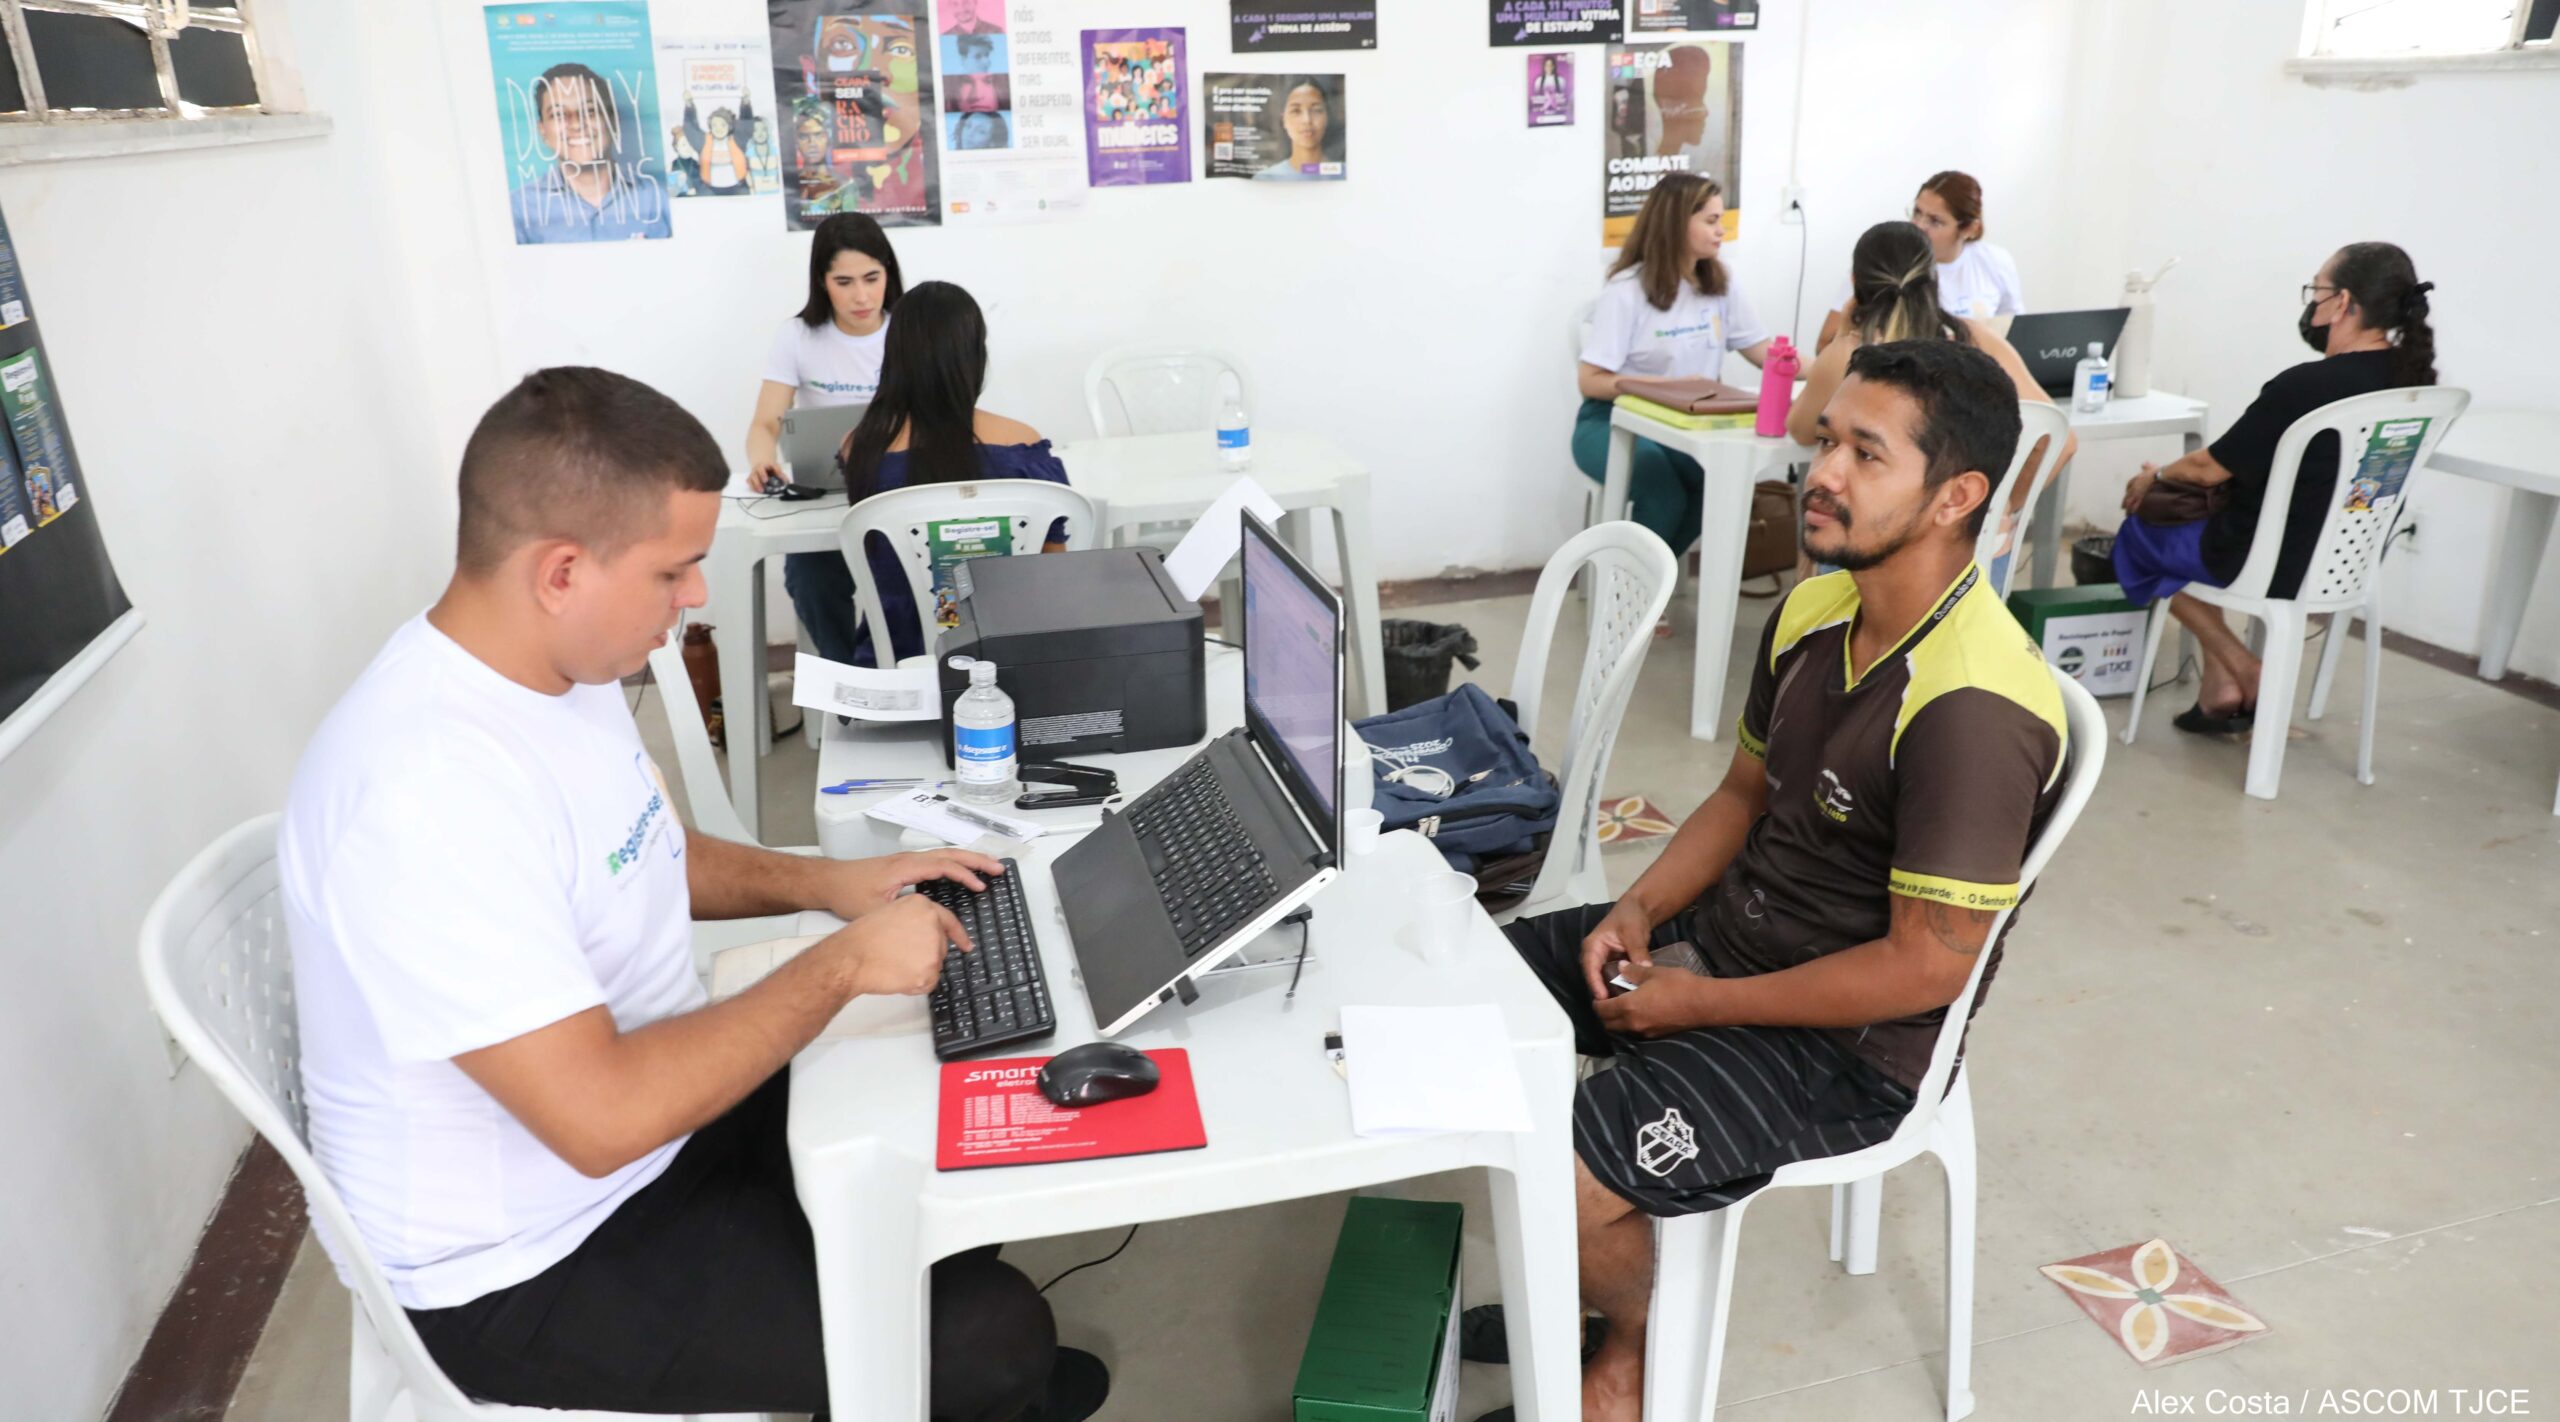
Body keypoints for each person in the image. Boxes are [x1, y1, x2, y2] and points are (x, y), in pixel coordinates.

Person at [278, 367, 1109, 1420]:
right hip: (528, 1265)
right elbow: (600, 1117)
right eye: (675, 572)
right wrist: (841, 963)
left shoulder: (554, 675)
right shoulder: (424, 791)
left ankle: (956, 1384)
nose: (696, 599)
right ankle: (974, 1378)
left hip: (647, 1142)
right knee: (991, 1332)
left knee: (944, 1114)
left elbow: (651, 853)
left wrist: (838, 885)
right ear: (561, 571)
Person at [1475, 341, 2065, 1422]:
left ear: (1955, 498)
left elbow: (1925, 966)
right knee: (1468, 1001)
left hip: (1843, 1049)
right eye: (1827, 440)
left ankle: (1631, 1338)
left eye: (1864, 453)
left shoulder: (1972, 708)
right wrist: (1639, 909)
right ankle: (1598, 1267)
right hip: (1731, 941)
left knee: (1554, 1183)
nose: (1821, 472)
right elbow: (1742, 797)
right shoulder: (1814, 609)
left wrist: (1699, 1004)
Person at [2112, 241, 2439, 733]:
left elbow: (2208, 469)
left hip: (2270, 561)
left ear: (2344, 303)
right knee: (2200, 525)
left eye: (2317, 291)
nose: (2312, 303)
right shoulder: (2418, 385)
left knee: (2140, 535)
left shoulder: (2305, 386)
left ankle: (2246, 670)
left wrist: (2152, 477)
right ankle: (2220, 690)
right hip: (2346, 562)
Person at [1788, 220, 2075, 585]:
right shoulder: (1977, 339)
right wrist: (2000, 507)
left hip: (1872, 548)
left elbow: (1801, 430)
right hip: (1971, 553)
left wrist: (1841, 336)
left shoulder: (1850, 353)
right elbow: (2061, 440)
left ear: (1856, 284)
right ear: (1933, 278)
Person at [837, 280, 1074, 664]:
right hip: (1011, 662)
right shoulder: (1022, 446)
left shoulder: (859, 446)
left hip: (897, 664)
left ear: (895, 356)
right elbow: (1055, 568)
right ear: (973, 356)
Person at [1573, 172, 1773, 552]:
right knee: (1661, 490)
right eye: (1711, 221)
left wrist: (1838, 366)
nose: (1721, 231)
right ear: (1676, 222)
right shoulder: (1627, 289)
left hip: (1682, 425)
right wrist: (1663, 389)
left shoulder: (1720, 281)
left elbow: (1764, 352)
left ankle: (1644, 587)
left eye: (1722, 220)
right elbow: (1590, 381)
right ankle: (1626, 602)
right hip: (1612, 422)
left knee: (1718, 488)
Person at [746, 213, 902, 668]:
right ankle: (850, 677)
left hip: (900, 492)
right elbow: (765, 423)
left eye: (872, 278)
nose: (861, 296)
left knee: (907, 571)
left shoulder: (909, 328)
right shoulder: (797, 336)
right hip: (829, 496)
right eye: (845, 281)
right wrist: (762, 461)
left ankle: (889, 668)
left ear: (888, 272)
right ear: (822, 282)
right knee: (809, 575)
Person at [1818, 172, 2023, 352]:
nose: (1919, 226)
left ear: (1969, 229)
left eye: (1935, 221)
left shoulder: (1995, 262)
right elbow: (1825, 345)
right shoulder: (1882, 258)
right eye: (1917, 212)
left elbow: (2014, 333)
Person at [508, 62, 671, 244]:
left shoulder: (661, 200)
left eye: (590, 111)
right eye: (559, 114)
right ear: (543, 131)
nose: (577, 124)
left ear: (612, 121)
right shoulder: (517, 210)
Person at [1254, 78, 1337, 181]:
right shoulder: (1266, 178)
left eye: (1316, 110)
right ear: (1283, 120)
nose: (1307, 120)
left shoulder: (1344, 172)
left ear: (1327, 117)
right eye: (1296, 111)